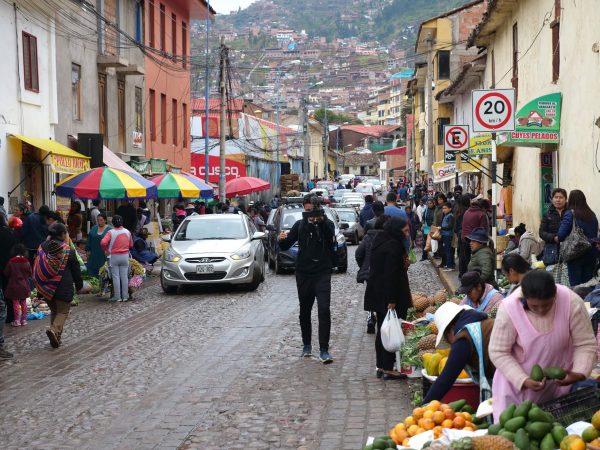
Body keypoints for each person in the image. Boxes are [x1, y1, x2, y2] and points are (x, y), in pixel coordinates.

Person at [489, 270, 597, 422]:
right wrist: (522, 379)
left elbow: (585, 343)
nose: (541, 310)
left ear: (555, 295)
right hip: (514, 389)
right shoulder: (509, 308)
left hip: (556, 390)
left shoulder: (570, 301)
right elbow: (498, 351)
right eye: (534, 306)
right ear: (524, 298)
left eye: (547, 305)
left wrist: (578, 373)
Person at [278, 194, 335, 364]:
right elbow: (286, 244)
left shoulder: (327, 224)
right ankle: (307, 345)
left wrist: (321, 221)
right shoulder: (300, 225)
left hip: (322, 272)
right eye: (309, 211)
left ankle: (324, 349)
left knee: (324, 309)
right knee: (305, 310)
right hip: (304, 273)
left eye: (315, 211)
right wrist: (280, 239)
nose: (312, 215)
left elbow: (330, 237)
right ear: (304, 209)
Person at [365, 217, 412, 380]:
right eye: (405, 231)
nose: (407, 234)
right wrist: (392, 300)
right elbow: (390, 275)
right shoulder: (393, 246)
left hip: (379, 293)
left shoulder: (381, 240)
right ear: (397, 230)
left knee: (383, 329)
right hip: (390, 295)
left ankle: (381, 365)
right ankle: (387, 367)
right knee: (390, 330)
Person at [423, 302, 495, 403]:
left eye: (447, 339)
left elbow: (445, 380)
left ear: (450, 330)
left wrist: (423, 407)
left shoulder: (463, 338)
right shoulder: (482, 323)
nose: (451, 344)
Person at [33, 223, 83, 348]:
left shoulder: (41, 246)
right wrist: (79, 285)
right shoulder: (68, 250)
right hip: (63, 287)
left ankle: (56, 339)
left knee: (54, 311)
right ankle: (54, 331)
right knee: (62, 312)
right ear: (62, 234)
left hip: (46, 287)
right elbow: (76, 269)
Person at [357, 214, 391, 335]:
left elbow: (359, 254)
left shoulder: (368, 237)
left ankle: (371, 317)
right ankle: (384, 319)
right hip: (384, 272)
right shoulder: (389, 238)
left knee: (372, 295)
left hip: (370, 272)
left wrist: (364, 267)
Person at [557, 190, 599, 286]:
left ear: (570, 200)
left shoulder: (570, 213)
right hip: (591, 253)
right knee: (588, 285)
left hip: (575, 253)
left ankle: (577, 301)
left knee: (576, 287)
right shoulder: (592, 215)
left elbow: (561, 235)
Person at [101, 215, 133, 302]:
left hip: (114, 257)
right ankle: (125, 296)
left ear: (113, 223)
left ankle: (117, 297)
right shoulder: (127, 232)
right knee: (124, 276)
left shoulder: (110, 232)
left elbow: (103, 242)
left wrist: (106, 250)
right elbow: (131, 245)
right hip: (125, 256)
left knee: (115, 277)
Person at [4, 244, 31, 326]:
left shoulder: (11, 261)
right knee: (23, 303)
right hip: (24, 285)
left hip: (14, 285)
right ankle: (24, 320)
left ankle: (17, 320)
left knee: (15, 303)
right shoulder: (26, 261)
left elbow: (6, 272)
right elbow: (30, 273)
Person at [539, 188, 567, 265]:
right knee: (552, 273)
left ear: (565, 199)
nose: (558, 200)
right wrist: (553, 237)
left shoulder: (570, 212)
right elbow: (541, 232)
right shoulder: (547, 214)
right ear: (552, 199)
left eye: (561, 197)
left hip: (568, 248)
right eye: (556, 197)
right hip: (552, 249)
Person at [460, 199, 489, 273]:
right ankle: (472, 275)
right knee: (474, 258)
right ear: (483, 208)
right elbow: (483, 230)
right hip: (474, 240)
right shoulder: (481, 214)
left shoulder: (467, 212)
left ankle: (463, 274)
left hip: (464, 237)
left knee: (464, 257)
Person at [85, 213, 111, 278]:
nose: (99, 222)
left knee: (103, 269)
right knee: (92, 268)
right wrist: (88, 250)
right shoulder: (94, 228)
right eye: (98, 220)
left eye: (101, 220)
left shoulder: (110, 229)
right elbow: (89, 239)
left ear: (105, 220)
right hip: (93, 253)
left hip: (104, 254)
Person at [440, 202, 455, 271]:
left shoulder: (450, 216)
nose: (444, 210)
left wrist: (441, 228)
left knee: (448, 251)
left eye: (445, 208)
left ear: (450, 209)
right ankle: (449, 264)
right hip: (445, 235)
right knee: (447, 250)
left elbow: (450, 226)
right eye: (443, 208)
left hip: (448, 235)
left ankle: (450, 266)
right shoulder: (446, 215)